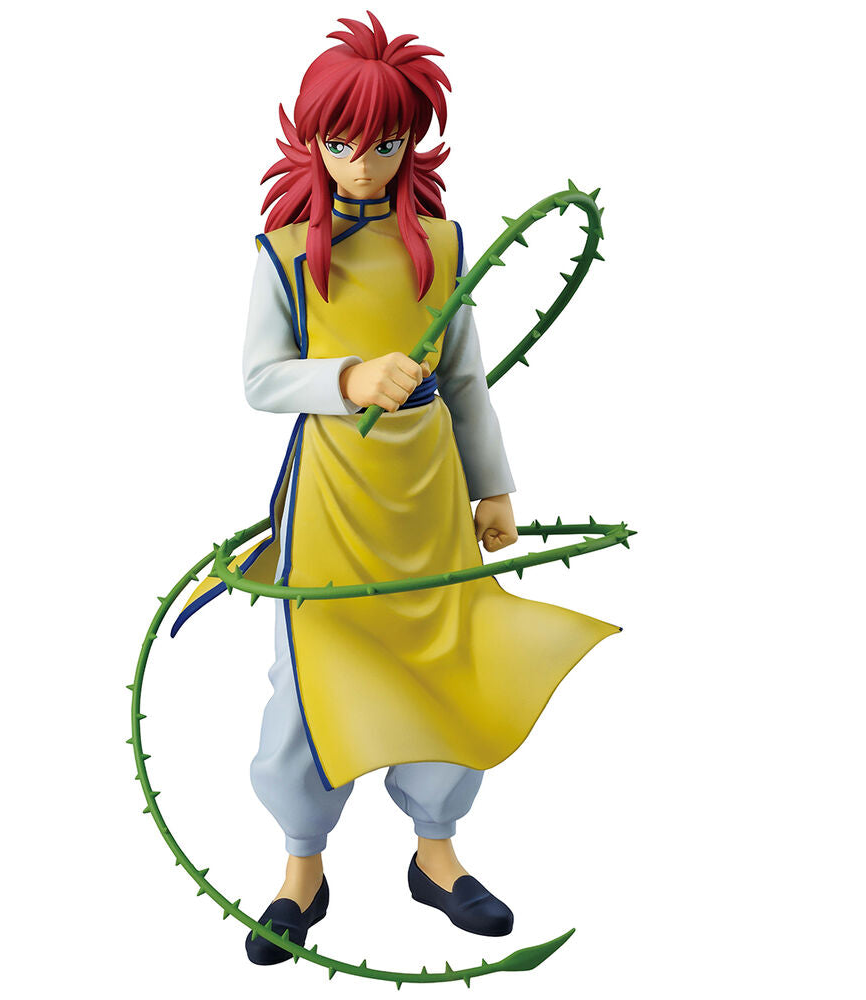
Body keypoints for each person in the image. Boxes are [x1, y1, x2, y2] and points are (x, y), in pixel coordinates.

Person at [171, 11, 618, 966]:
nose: (363, 165)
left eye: (384, 143)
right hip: (331, 506)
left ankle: (436, 856)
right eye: (342, 143)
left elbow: (465, 380)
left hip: (429, 503)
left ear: (413, 139)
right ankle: (301, 870)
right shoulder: (287, 252)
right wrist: (348, 378)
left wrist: (493, 488)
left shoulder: (443, 248)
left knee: (444, 666)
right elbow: (260, 380)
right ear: (312, 139)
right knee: (311, 682)